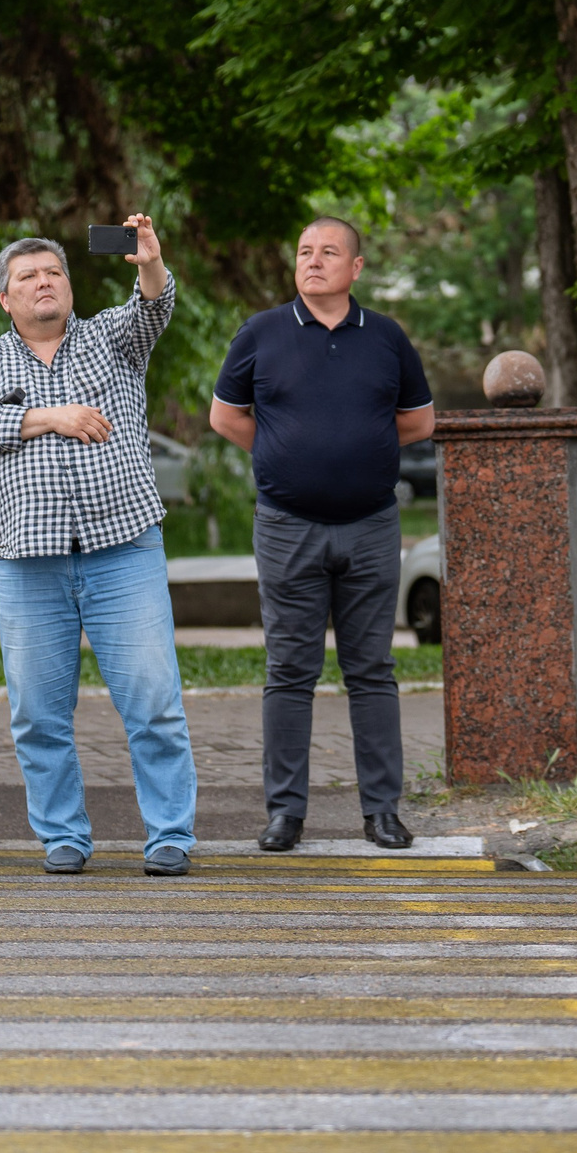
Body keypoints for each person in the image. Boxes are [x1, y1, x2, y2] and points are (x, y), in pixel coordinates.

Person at [0, 224, 198, 877]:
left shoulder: (110, 339)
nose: (42, 282)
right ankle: (63, 834)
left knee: (152, 698)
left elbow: (153, 308)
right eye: (27, 276)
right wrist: (50, 416)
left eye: (52, 272)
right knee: (36, 710)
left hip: (124, 548)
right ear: (6, 298)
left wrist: (149, 264)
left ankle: (170, 833)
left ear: (70, 284)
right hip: (27, 560)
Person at [209, 216, 435, 854]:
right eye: (304, 251)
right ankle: (286, 815)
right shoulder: (262, 332)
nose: (313, 261)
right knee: (289, 673)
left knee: (372, 672)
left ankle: (382, 812)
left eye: (328, 252)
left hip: (370, 528)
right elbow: (225, 417)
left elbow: (418, 423)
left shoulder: (387, 337)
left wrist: (355, 454)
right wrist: (283, 453)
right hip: (287, 529)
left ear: (356, 267)